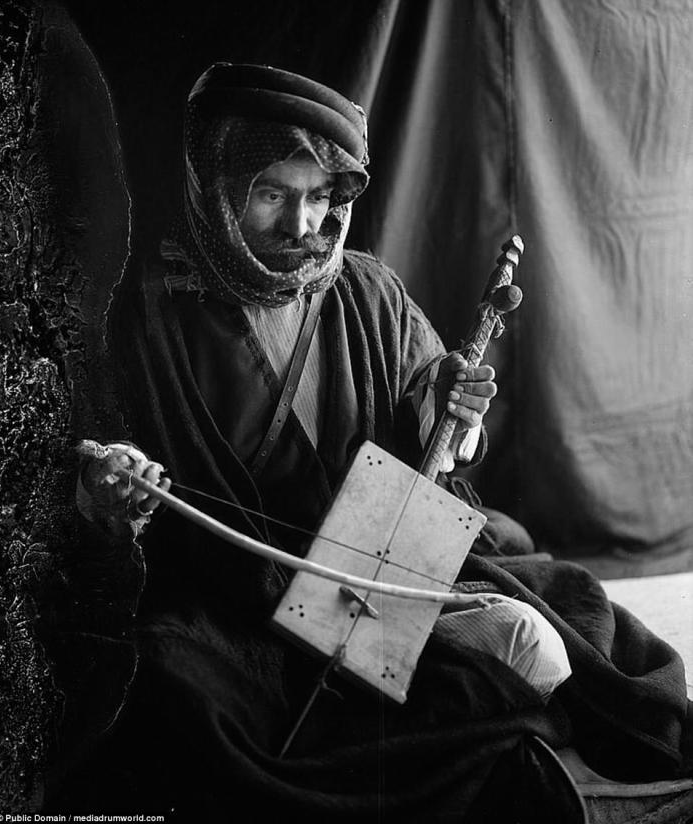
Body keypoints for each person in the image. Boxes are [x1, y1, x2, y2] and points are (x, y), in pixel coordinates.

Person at [54, 64, 691, 822]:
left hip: (387, 564)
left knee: (569, 623)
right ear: (215, 188)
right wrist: (115, 486)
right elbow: (105, 454)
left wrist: (448, 414)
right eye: (271, 194)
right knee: (172, 687)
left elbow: (436, 450)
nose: (301, 226)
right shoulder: (147, 317)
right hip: (236, 594)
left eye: (321, 198)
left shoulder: (370, 291)